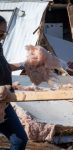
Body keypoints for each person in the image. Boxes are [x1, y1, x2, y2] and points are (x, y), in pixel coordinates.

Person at [0, 15, 28, 149]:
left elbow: (5, 67)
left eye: (5, 33)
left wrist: (25, 64)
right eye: (0, 32)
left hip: (4, 101)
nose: (3, 36)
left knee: (20, 139)